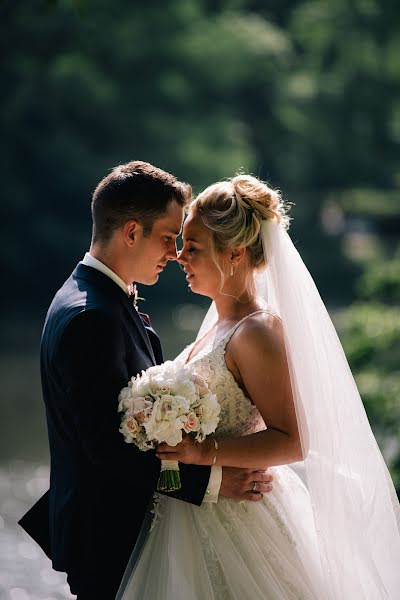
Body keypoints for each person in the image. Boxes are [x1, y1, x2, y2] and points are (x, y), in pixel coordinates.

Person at [118, 174, 400, 599]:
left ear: (234, 254)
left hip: (238, 518)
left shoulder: (257, 331)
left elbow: (294, 440)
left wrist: (203, 453)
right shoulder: (217, 325)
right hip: (191, 512)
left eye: (192, 247)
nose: (179, 257)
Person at [18, 162, 274, 600]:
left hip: (133, 533)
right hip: (109, 537)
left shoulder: (96, 298)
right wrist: (213, 482)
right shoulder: (90, 317)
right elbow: (107, 452)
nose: (175, 252)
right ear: (131, 232)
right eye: (168, 236)